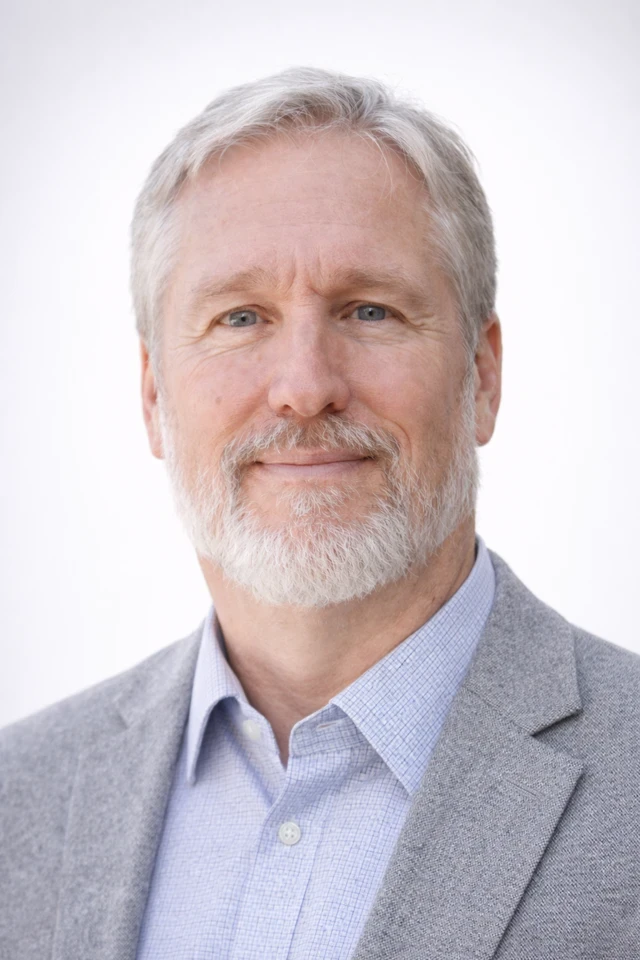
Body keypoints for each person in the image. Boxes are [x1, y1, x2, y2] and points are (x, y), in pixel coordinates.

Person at [1, 66, 638, 960]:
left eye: (369, 310)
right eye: (240, 318)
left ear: (483, 377)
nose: (304, 388)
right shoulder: (18, 798)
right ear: (152, 396)